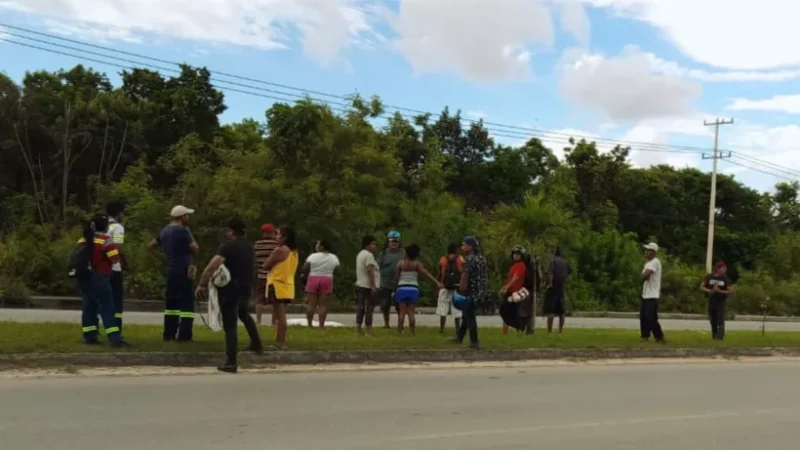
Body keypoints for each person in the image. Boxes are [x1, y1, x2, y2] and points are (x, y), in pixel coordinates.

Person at [195, 218, 262, 373]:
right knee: (244, 314)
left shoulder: (227, 247)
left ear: (231, 231)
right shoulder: (249, 247)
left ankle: (231, 361)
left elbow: (213, 264)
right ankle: (256, 343)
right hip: (246, 288)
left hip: (231, 289)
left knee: (230, 325)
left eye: (227, 230)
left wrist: (202, 284)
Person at [75, 214, 130, 348]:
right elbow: (115, 258)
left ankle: (90, 336)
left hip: (84, 277)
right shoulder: (105, 240)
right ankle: (115, 338)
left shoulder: (82, 240)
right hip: (100, 277)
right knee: (107, 307)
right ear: (105, 226)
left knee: (89, 307)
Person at [148, 205, 199, 342]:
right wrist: (190, 236)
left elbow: (151, 246)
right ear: (182, 217)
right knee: (187, 303)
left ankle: (169, 333)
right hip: (184, 269)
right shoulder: (183, 230)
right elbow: (195, 248)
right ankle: (184, 335)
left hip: (172, 269)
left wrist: (164, 258)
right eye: (187, 215)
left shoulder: (164, 231)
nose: (189, 217)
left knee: (171, 303)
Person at [261, 226, 299, 350]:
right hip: (288, 285)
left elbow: (266, 265)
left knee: (280, 316)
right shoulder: (294, 252)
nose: (276, 237)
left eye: (278, 234)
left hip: (277, 284)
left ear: (284, 237)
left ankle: (280, 342)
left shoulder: (280, 250)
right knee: (280, 315)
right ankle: (279, 340)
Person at [394, 244, 442, 335]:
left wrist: (395, 286)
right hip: (413, 289)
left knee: (402, 312)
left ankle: (399, 331)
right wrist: (437, 282)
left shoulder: (400, 263)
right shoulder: (417, 263)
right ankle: (412, 332)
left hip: (402, 288)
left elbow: (396, 277)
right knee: (411, 312)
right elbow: (426, 273)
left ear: (407, 253)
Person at [451, 236, 486, 349]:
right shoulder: (482, 259)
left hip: (469, 291)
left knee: (470, 316)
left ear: (470, 247)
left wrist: (461, 288)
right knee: (466, 316)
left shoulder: (469, 259)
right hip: (479, 290)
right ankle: (459, 337)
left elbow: (465, 275)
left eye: (464, 245)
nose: (462, 247)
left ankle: (474, 341)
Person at [302, 239, 340, 330]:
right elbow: (338, 271)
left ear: (321, 247)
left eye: (317, 244)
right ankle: (321, 326)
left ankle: (310, 324)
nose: (316, 245)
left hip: (313, 278)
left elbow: (304, 268)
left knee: (311, 304)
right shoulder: (333, 257)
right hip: (327, 279)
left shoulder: (313, 256)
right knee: (323, 305)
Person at [105, 201, 127, 333]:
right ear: (118, 213)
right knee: (116, 301)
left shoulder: (100, 225)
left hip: (100, 268)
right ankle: (116, 330)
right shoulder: (117, 227)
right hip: (114, 268)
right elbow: (117, 247)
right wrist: (124, 261)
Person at [499, 246, 531, 335]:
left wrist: (507, 288)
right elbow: (510, 278)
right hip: (510, 291)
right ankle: (511, 331)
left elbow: (515, 278)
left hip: (514, 292)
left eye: (518, 254)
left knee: (505, 311)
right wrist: (505, 287)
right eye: (514, 254)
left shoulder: (520, 265)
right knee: (508, 312)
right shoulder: (514, 265)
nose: (515, 256)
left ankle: (519, 327)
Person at [377, 230, 404, 329]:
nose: (394, 243)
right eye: (392, 241)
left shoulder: (403, 254)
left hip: (399, 283)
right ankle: (386, 323)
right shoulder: (383, 254)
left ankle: (400, 324)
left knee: (399, 305)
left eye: (396, 242)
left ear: (399, 243)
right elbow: (377, 267)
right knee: (385, 305)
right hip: (385, 283)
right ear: (388, 242)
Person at [700, 260, 733, 340]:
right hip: (711, 300)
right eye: (723, 268)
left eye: (725, 268)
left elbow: (730, 291)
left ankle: (720, 336)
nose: (724, 270)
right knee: (713, 319)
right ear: (718, 269)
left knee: (720, 318)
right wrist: (710, 291)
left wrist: (720, 291)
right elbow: (701, 287)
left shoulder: (726, 279)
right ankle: (714, 334)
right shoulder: (709, 277)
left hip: (721, 301)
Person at [640, 242, 665, 343]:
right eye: (646, 250)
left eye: (648, 250)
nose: (646, 252)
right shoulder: (647, 263)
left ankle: (659, 336)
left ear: (654, 252)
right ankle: (645, 335)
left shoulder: (655, 262)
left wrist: (642, 276)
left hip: (652, 294)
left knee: (651, 317)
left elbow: (646, 275)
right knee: (643, 316)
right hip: (646, 293)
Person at [254, 224, 278, 326]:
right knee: (274, 300)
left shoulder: (257, 245)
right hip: (274, 276)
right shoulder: (276, 245)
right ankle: (273, 321)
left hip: (261, 275)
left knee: (259, 299)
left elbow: (254, 259)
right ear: (272, 233)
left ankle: (258, 321)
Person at [355, 235, 380, 336]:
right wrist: (373, 285)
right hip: (367, 285)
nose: (374, 246)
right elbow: (370, 270)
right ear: (366, 245)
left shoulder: (360, 254)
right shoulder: (369, 255)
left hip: (360, 284)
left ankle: (358, 329)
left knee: (360, 307)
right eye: (372, 244)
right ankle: (368, 330)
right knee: (369, 308)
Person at [436, 244, 464, 333]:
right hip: (457, 288)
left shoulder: (443, 260)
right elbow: (464, 273)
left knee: (443, 309)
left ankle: (442, 329)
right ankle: (457, 329)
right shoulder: (460, 260)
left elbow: (439, 273)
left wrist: (438, 284)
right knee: (457, 310)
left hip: (444, 287)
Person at [544, 248, 571, 333]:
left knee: (550, 310)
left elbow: (550, 273)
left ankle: (549, 330)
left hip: (553, 287)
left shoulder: (552, 262)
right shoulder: (565, 262)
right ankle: (560, 330)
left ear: (553, 253)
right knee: (561, 311)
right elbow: (569, 272)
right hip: (561, 287)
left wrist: (549, 284)